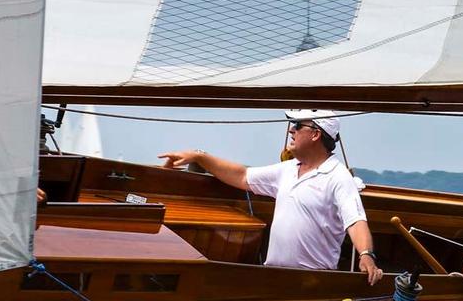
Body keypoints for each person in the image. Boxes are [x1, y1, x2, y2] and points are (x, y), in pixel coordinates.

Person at [159, 110, 382, 284]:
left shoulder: (337, 176)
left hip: (314, 282)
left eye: (297, 125)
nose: (290, 131)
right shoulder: (287, 169)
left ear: (316, 134)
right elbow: (243, 176)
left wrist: (366, 254)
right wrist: (198, 157)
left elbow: (355, 220)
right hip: (272, 275)